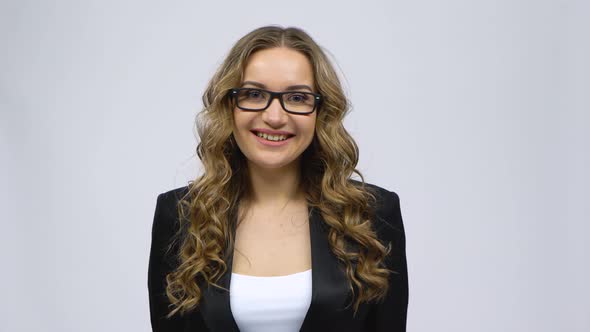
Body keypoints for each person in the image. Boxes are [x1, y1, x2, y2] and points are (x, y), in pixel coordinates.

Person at [148, 25, 408, 332]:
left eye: (297, 97)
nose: (274, 116)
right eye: (254, 94)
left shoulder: (372, 215)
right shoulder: (181, 215)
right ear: (229, 106)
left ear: (320, 111)